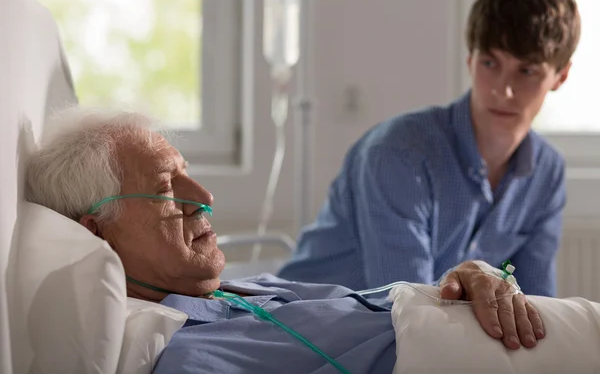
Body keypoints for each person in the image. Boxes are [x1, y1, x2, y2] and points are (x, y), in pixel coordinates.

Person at [25, 109, 544, 373]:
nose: (202, 197)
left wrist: (465, 276)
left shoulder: (245, 296)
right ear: (98, 234)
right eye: (165, 188)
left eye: (188, 176)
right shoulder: (195, 359)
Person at [278, 0, 581, 297]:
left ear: (560, 76)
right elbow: (409, 309)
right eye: (490, 63)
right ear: (470, 60)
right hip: (307, 332)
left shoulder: (547, 173)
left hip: (405, 341)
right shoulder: (397, 153)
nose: (502, 90)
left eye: (527, 71)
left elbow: (535, 306)